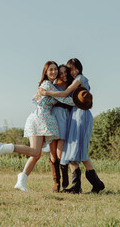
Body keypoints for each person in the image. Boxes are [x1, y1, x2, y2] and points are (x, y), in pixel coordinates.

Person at [0, 61, 75, 192]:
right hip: (39, 119)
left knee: (36, 155)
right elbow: (64, 99)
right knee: (35, 152)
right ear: (46, 72)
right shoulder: (48, 85)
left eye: (55, 70)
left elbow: (35, 99)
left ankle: (21, 180)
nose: (54, 72)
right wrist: (80, 102)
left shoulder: (47, 85)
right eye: (51, 70)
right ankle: (4, 147)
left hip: (42, 118)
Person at [39, 58, 105, 194]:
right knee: (75, 151)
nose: (73, 72)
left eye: (75, 68)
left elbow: (64, 94)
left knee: (76, 150)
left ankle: (84, 185)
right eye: (71, 70)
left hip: (81, 115)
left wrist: (46, 92)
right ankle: (89, 185)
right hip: (75, 115)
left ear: (79, 68)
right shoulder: (75, 81)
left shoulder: (80, 78)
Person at [48, 64, 74, 192]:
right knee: (53, 155)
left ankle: (64, 176)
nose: (63, 75)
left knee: (60, 154)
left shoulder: (70, 87)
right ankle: (56, 183)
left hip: (65, 118)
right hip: (53, 118)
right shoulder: (52, 86)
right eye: (61, 73)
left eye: (65, 73)